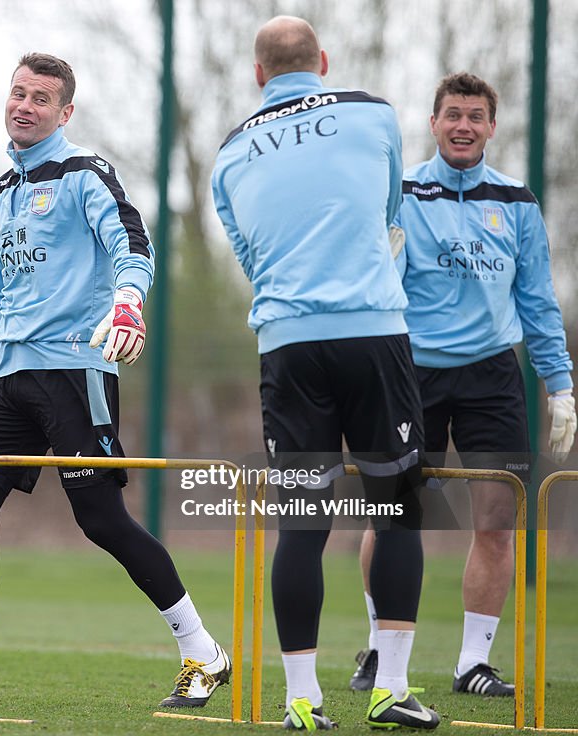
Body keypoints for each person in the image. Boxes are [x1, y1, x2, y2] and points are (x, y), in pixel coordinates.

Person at [0, 52, 230, 710]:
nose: (25, 105)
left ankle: (202, 651)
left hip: (73, 371)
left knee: (100, 520)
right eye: (18, 93)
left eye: (41, 98)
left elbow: (133, 242)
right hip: (5, 378)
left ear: (64, 112)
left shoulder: (83, 173)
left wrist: (128, 301)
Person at [212, 16, 440, 730]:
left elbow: (250, 256)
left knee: (301, 526)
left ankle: (301, 702)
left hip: (287, 343)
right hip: (372, 332)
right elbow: (386, 214)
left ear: (257, 76)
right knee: (397, 508)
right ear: (324, 60)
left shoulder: (227, 155)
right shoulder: (374, 114)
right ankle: (389, 688)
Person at [349, 72, 575, 698]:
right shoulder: (402, 193)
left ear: (492, 127)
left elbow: (537, 300)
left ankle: (472, 663)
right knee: (394, 516)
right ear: (434, 122)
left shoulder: (518, 202)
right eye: (452, 114)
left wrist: (560, 384)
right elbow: (376, 281)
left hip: (493, 377)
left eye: (475, 116)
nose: (463, 126)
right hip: (409, 372)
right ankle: (377, 647)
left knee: (498, 522)